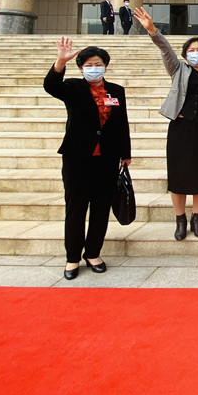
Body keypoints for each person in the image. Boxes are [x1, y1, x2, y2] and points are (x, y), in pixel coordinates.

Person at [133, 8, 198, 240]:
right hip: (181, 130)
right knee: (178, 176)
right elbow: (165, 49)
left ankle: (197, 219)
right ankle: (180, 220)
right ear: (185, 55)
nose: (196, 54)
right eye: (191, 51)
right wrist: (152, 30)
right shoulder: (178, 69)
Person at [44, 38, 131, 281]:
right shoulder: (73, 87)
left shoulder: (116, 91)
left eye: (99, 64)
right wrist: (60, 62)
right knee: (76, 208)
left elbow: (122, 123)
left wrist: (125, 153)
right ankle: (72, 257)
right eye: (89, 65)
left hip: (107, 158)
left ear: (106, 66)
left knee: (101, 208)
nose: (94, 68)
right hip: (77, 158)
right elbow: (51, 86)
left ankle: (93, 253)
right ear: (82, 68)